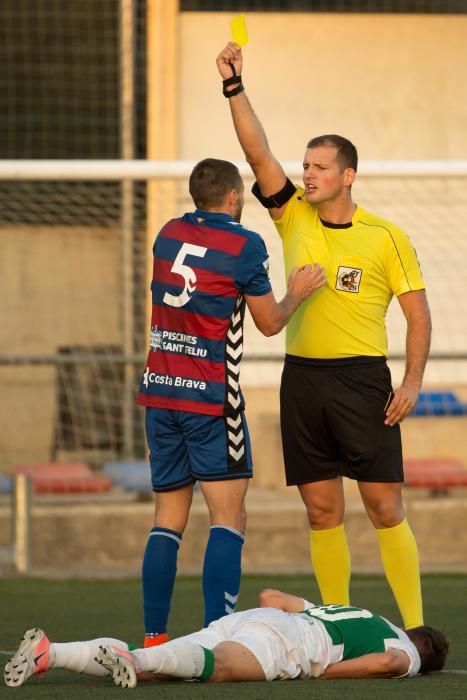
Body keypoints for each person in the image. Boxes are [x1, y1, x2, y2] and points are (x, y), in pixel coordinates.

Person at [215, 43, 433, 631]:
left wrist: (411, 381)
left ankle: (415, 629)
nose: (306, 174)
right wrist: (235, 86)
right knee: (320, 510)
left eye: (318, 167)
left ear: (347, 176)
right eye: (305, 166)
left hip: (364, 381)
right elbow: (254, 150)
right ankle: (337, 623)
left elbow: (417, 314)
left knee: (385, 507)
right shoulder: (293, 215)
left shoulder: (386, 237)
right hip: (302, 380)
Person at [135, 158, 325, 647]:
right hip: (210, 399)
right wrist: (297, 291)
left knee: (167, 520)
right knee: (229, 517)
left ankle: (155, 638)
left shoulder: (168, 233)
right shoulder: (245, 245)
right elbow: (269, 322)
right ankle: (216, 640)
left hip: (160, 391)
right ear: (235, 199)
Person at [4, 589, 449, 689]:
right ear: (422, 648)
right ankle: (136, 662)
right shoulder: (407, 648)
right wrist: (328, 671)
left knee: (169, 668)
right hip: (287, 639)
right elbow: (389, 664)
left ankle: (52, 653)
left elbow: (272, 595)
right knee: (218, 671)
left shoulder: (363, 613)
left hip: (252, 618)